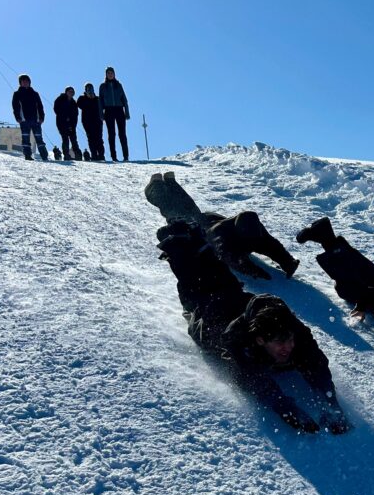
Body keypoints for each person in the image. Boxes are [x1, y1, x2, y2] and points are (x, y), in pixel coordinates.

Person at [146, 173, 346, 433]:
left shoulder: (292, 332)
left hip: (230, 296)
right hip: (203, 309)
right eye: (279, 343)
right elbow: (255, 383)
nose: (287, 347)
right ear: (261, 340)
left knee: (209, 261)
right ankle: (161, 198)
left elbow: (316, 364)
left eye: (288, 341)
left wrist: (332, 404)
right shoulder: (240, 343)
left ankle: (182, 221)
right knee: (184, 254)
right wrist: (287, 409)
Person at [11, 75, 48, 161]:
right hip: (24, 120)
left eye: (26, 81)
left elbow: (40, 106)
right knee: (26, 138)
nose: (25, 82)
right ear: (20, 83)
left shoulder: (35, 94)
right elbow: (15, 107)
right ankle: (27, 155)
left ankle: (44, 156)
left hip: (36, 120)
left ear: (29, 82)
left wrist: (42, 117)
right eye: (23, 81)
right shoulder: (17, 94)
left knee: (39, 138)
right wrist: (18, 117)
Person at [99, 66, 130, 161]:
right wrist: (101, 114)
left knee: (122, 134)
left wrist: (127, 112)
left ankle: (126, 156)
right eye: (108, 73)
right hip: (109, 111)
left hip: (119, 110)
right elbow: (100, 101)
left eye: (111, 73)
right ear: (106, 75)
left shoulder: (118, 85)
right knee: (111, 134)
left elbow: (124, 99)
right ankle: (114, 157)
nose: (110, 74)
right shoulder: (103, 86)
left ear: (114, 74)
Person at [76, 83, 105, 161]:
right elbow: (79, 105)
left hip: (98, 121)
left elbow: (103, 107)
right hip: (87, 121)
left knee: (99, 138)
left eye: (91, 89)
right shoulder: (82, 98)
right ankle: (94, 155)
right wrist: (88, 98)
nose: (90, 90)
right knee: (91, 138)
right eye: (88, 89)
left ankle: (101, 155)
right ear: (85, 90)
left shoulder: (98, 98)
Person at [53, 87, 82, 160]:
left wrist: (73, 125)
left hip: (72, 124)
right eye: (69, 91)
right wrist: (64, 117)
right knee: (65, 138)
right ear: (66, 92)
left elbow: (76, 115)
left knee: (74, 139)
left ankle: (78, 155)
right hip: (62, 123)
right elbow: (56, 109)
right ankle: (66, 154)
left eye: (72, 92)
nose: (71, 93)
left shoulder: (74, 102)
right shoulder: (60, 99)